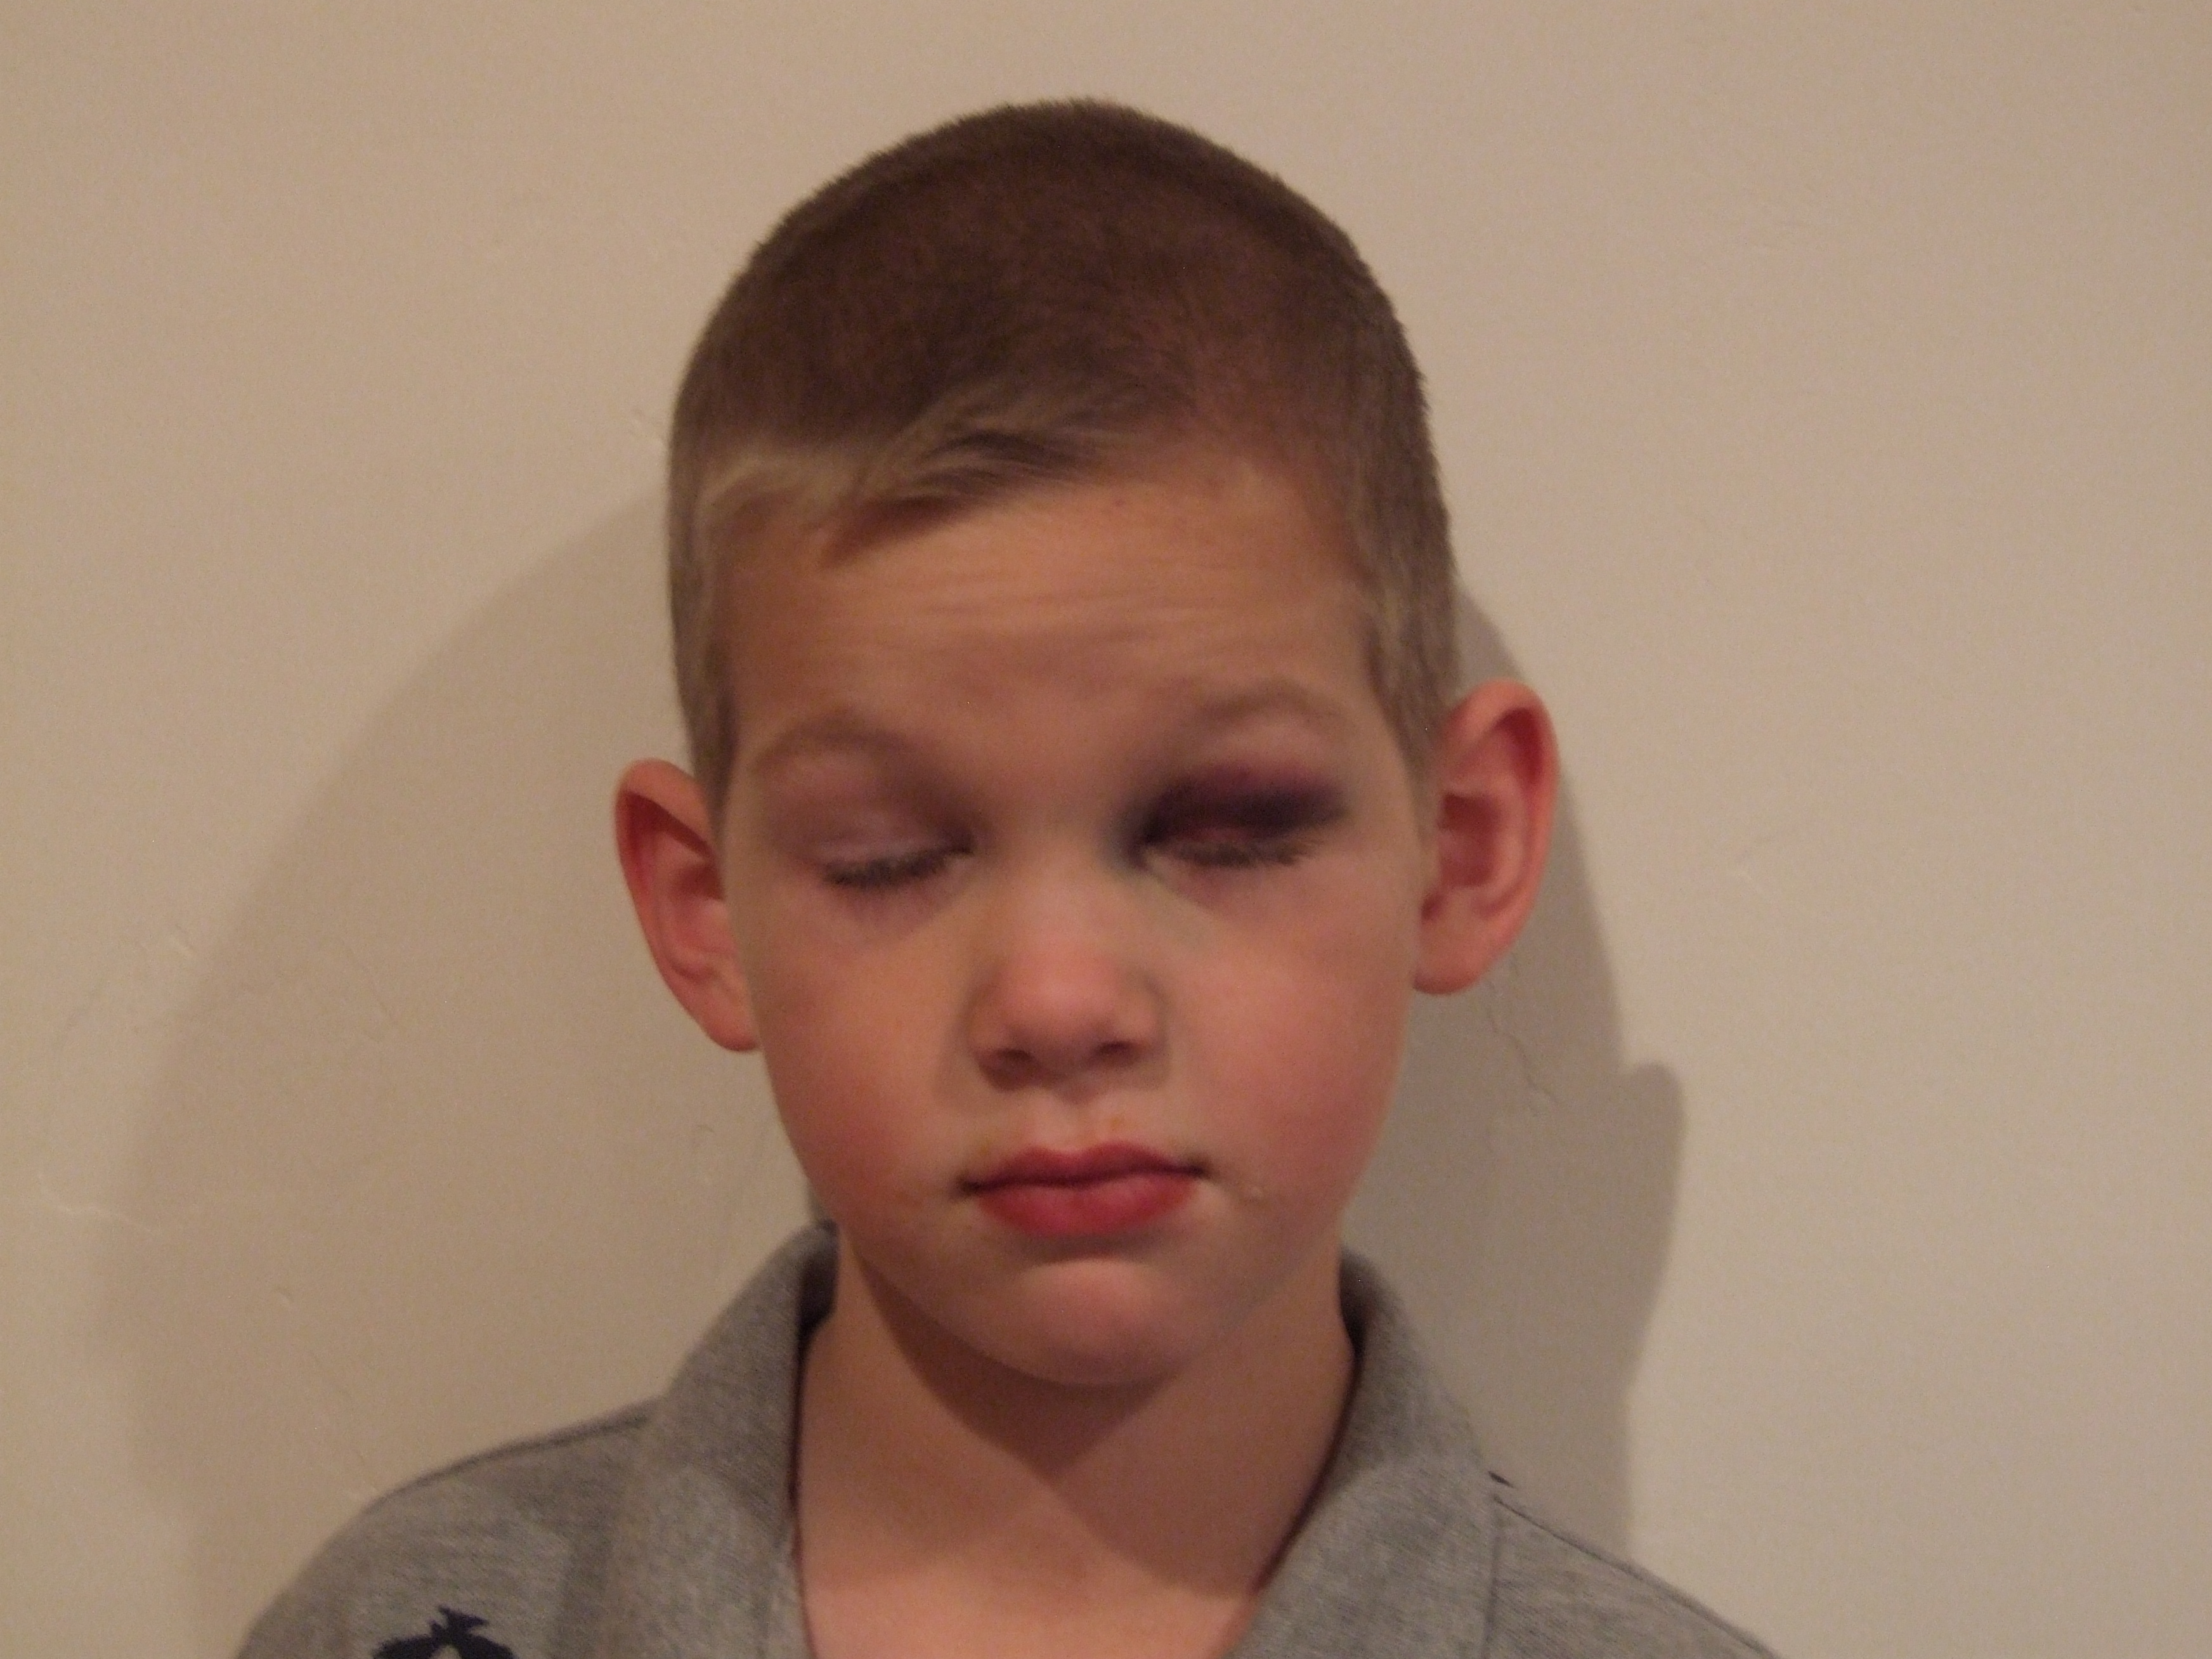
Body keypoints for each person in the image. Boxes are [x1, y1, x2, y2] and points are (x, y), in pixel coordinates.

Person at [238, 101, 1774, 1659]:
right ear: (705, 913)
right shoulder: (393, 1628)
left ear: (1462, 847)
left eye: (1232, 829)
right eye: (885, 857)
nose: (1055, 999)